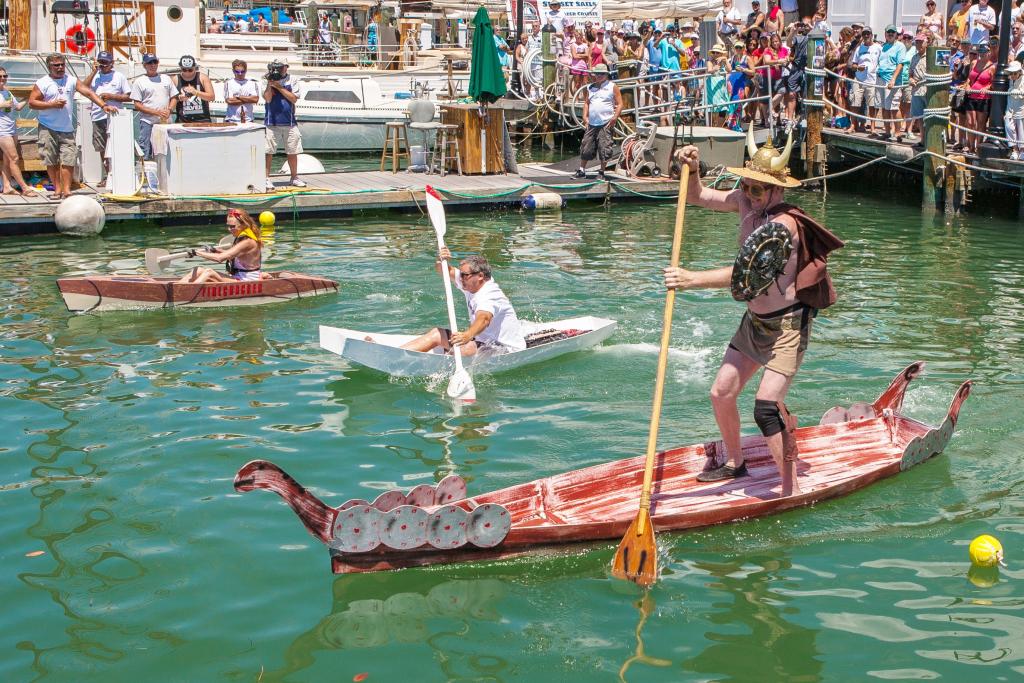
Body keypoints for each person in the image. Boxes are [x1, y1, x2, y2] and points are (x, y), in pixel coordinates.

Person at [664, 130, 843, 496]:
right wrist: (693, 169)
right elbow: (696, 196)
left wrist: (690, 279)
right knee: (722, 392)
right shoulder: (746, 203)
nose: (748, 193)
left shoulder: (783, 227)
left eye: (757, 190)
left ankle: (790, 490)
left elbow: (747, 275)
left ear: (778, 190)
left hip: (787, 326)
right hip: (755, 322)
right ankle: (736, 463)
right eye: (745, 185)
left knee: (765, 408)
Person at [392, 247, 525, 356]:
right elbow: (444, 270)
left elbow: (484, 319)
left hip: (505, 349)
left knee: (463, 349)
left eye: (464, 275)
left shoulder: (489, 295)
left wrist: (467, 335)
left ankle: (441, 357)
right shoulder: (470, 282)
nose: (460, 278)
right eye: (460, 274)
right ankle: (394, 355)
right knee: (436, 334)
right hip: (482, 341)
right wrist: (441, 260)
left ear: (480, 276)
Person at [27, 53, 115, 200]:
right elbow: (32, 102)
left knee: (69, 159)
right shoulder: (42, 82)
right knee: (51, 160)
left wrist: (103, 105)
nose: (60, 68)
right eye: (56, 65)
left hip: (66, 128)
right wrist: (51, 104)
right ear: (49, 66)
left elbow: (88, 92)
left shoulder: (71, 80)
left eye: (62, 64)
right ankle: (57, 190)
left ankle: (67, 191)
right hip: (47, 127)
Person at [179, 208, 263, 284]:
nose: (229, 229)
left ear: (244, 225)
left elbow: (220, 258)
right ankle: (177, 287)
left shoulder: (247, 242)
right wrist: (214, 250)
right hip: (237, 277)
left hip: (248, 281)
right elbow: (231, 255)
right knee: (198, 270)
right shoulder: (241, 238)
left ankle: (186, 292)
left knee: (209, 272)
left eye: (232, 226)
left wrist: (196, 252)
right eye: (228, 226)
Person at [85, 51, 131, 186]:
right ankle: (107, 175)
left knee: (117, 147)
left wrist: (112, 97)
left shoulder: (119, 76)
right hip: (97, 116)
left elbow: (129, 96)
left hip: (116, 117)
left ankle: (118, 174)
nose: (103, 65)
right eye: (101, 62)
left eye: (105, 62)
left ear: (112, 63)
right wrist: (93, 71)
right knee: (102, 148)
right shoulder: (95, 76)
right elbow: (83, 87)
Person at [261, 59, 307, 191]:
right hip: (271, 122)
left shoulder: (292, 80)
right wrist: (270, 84)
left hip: (290, 122)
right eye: (276, 68)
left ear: (286, 67)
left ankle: (294, 177)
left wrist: (279, 87)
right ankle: (266, 178)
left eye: (281, 67)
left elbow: (294, 98)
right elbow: (268, 98)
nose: (279, 70)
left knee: (293, 151)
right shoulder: (266, 79)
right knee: (268, 151)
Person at [575, 63, 622, 179]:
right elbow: (587, 103)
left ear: (606, 75)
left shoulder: (612, 86)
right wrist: (584, 117)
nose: (599, 75)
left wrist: (615, 117)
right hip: (592, 123)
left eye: (602, 74)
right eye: (597, 73)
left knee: (604, 148)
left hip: (606, 122)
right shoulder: (590, 87)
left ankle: (601, 171)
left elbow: (620, 103)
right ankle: (582, 170)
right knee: (586, 146)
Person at [130, 53, 178, 160]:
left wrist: (169, 110)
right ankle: (146, 175)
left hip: (165, 122)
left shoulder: (166, 78)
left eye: (155, 62)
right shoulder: (139, 82)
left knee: (166, 152)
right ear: (144, 65)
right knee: (146, 151)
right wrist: (156, 112)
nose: (152, 65)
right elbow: (137, 104)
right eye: (149, 63)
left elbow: (174, 97)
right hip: (148, 122)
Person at [0, 67, 32, 195]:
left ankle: (7, 186)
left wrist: (29, 97)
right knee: (14, 158)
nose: (3, 78)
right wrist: (2, 105)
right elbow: (5, 106)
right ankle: (25, 187)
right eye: (0, 76)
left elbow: (17, 107)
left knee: (8, 159)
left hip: (11, 128)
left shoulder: (7, 92)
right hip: (2, 130)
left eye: (5, 76)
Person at [877, 25, 906, 141]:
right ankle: (887, 131)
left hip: (892, 80)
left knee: (894, 108)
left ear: (896, 34)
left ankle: (898, 132)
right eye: (888, 32)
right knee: (884, 107)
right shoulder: (883, 47)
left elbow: (900, 64)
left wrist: (893, 79)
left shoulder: (900, 46)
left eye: (892, 32)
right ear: (885, 34)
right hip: (880, 79)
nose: (890, 34)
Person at [850, 27, 881, 134]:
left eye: (868, 34)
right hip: (859, 79)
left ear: (872, 35)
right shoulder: (859, 48)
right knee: (855, 103)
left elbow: (882, 62)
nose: (866, 36)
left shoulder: (878, 47)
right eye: (864, 34)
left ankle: (872, 127)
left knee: (872, 105)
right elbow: (853, 65)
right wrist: (858, 67)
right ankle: (853, 125)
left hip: (872, 80)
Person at [175, 55, 214, 123]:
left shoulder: (203, 78)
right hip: (183, 120)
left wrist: (196, 92)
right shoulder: (175, 79)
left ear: (195, 68)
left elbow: (211, 97)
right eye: (184, 70)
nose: (187, 72)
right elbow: (171, 99)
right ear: (180, 68)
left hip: (202, 120)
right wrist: (179, 98)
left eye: (190, 70)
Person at [1004, 61, 1024, 159]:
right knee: (1009, 127)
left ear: (1019, 72)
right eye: (1010, 73)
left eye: (1014, 73)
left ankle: (1022, 151)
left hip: (1021, 109)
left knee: (1021, 130)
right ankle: (1015, 149)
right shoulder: (1010, 79)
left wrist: (1016, 92)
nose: (1012, 75)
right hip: (1010, 108)